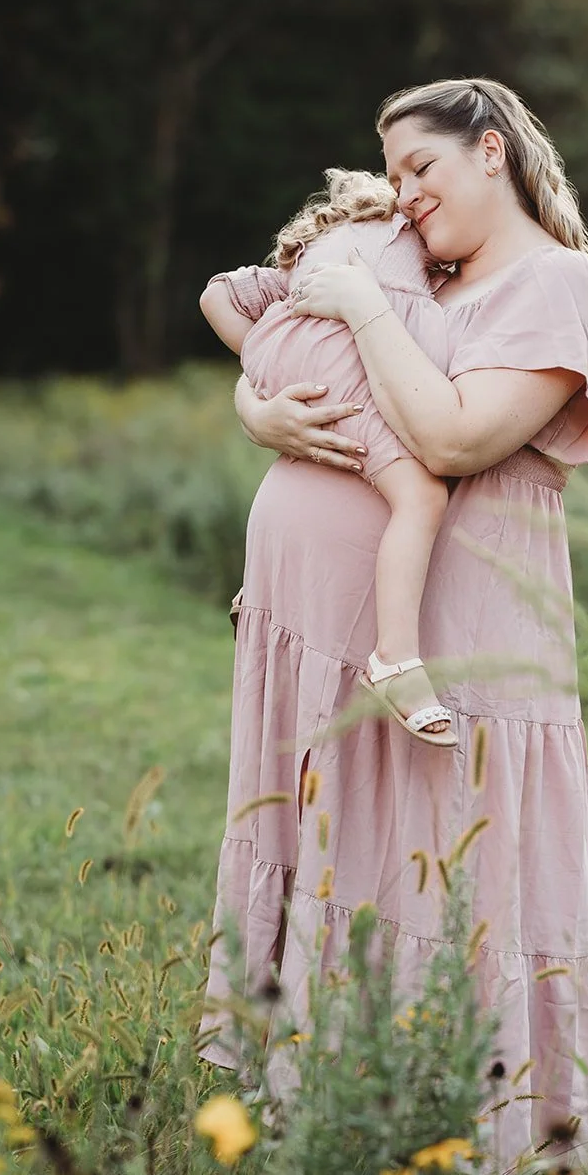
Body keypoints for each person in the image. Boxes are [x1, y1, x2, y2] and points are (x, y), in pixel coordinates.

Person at [197, 77, 588, 1175]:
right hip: (323, 629)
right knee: (346, 847)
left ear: (490, 151)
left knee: (454, 852)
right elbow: (294, 345)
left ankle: (483, 1132)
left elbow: (447, 438)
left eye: (421, 170)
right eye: (391, 174)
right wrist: (257, 405)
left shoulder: (562, 284)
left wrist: (356, 307)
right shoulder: (427, 269)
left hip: (471, 634)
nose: (403, 195)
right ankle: (339, 1109)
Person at [200, 168, 457, 746]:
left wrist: (264, 360)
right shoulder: (408, 240)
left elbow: (215, 294)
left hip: (283, 353)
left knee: (319, 460)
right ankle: (395, 659)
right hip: (338, 358)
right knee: (419, 495)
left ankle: (259, 587)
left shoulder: (306, 260)